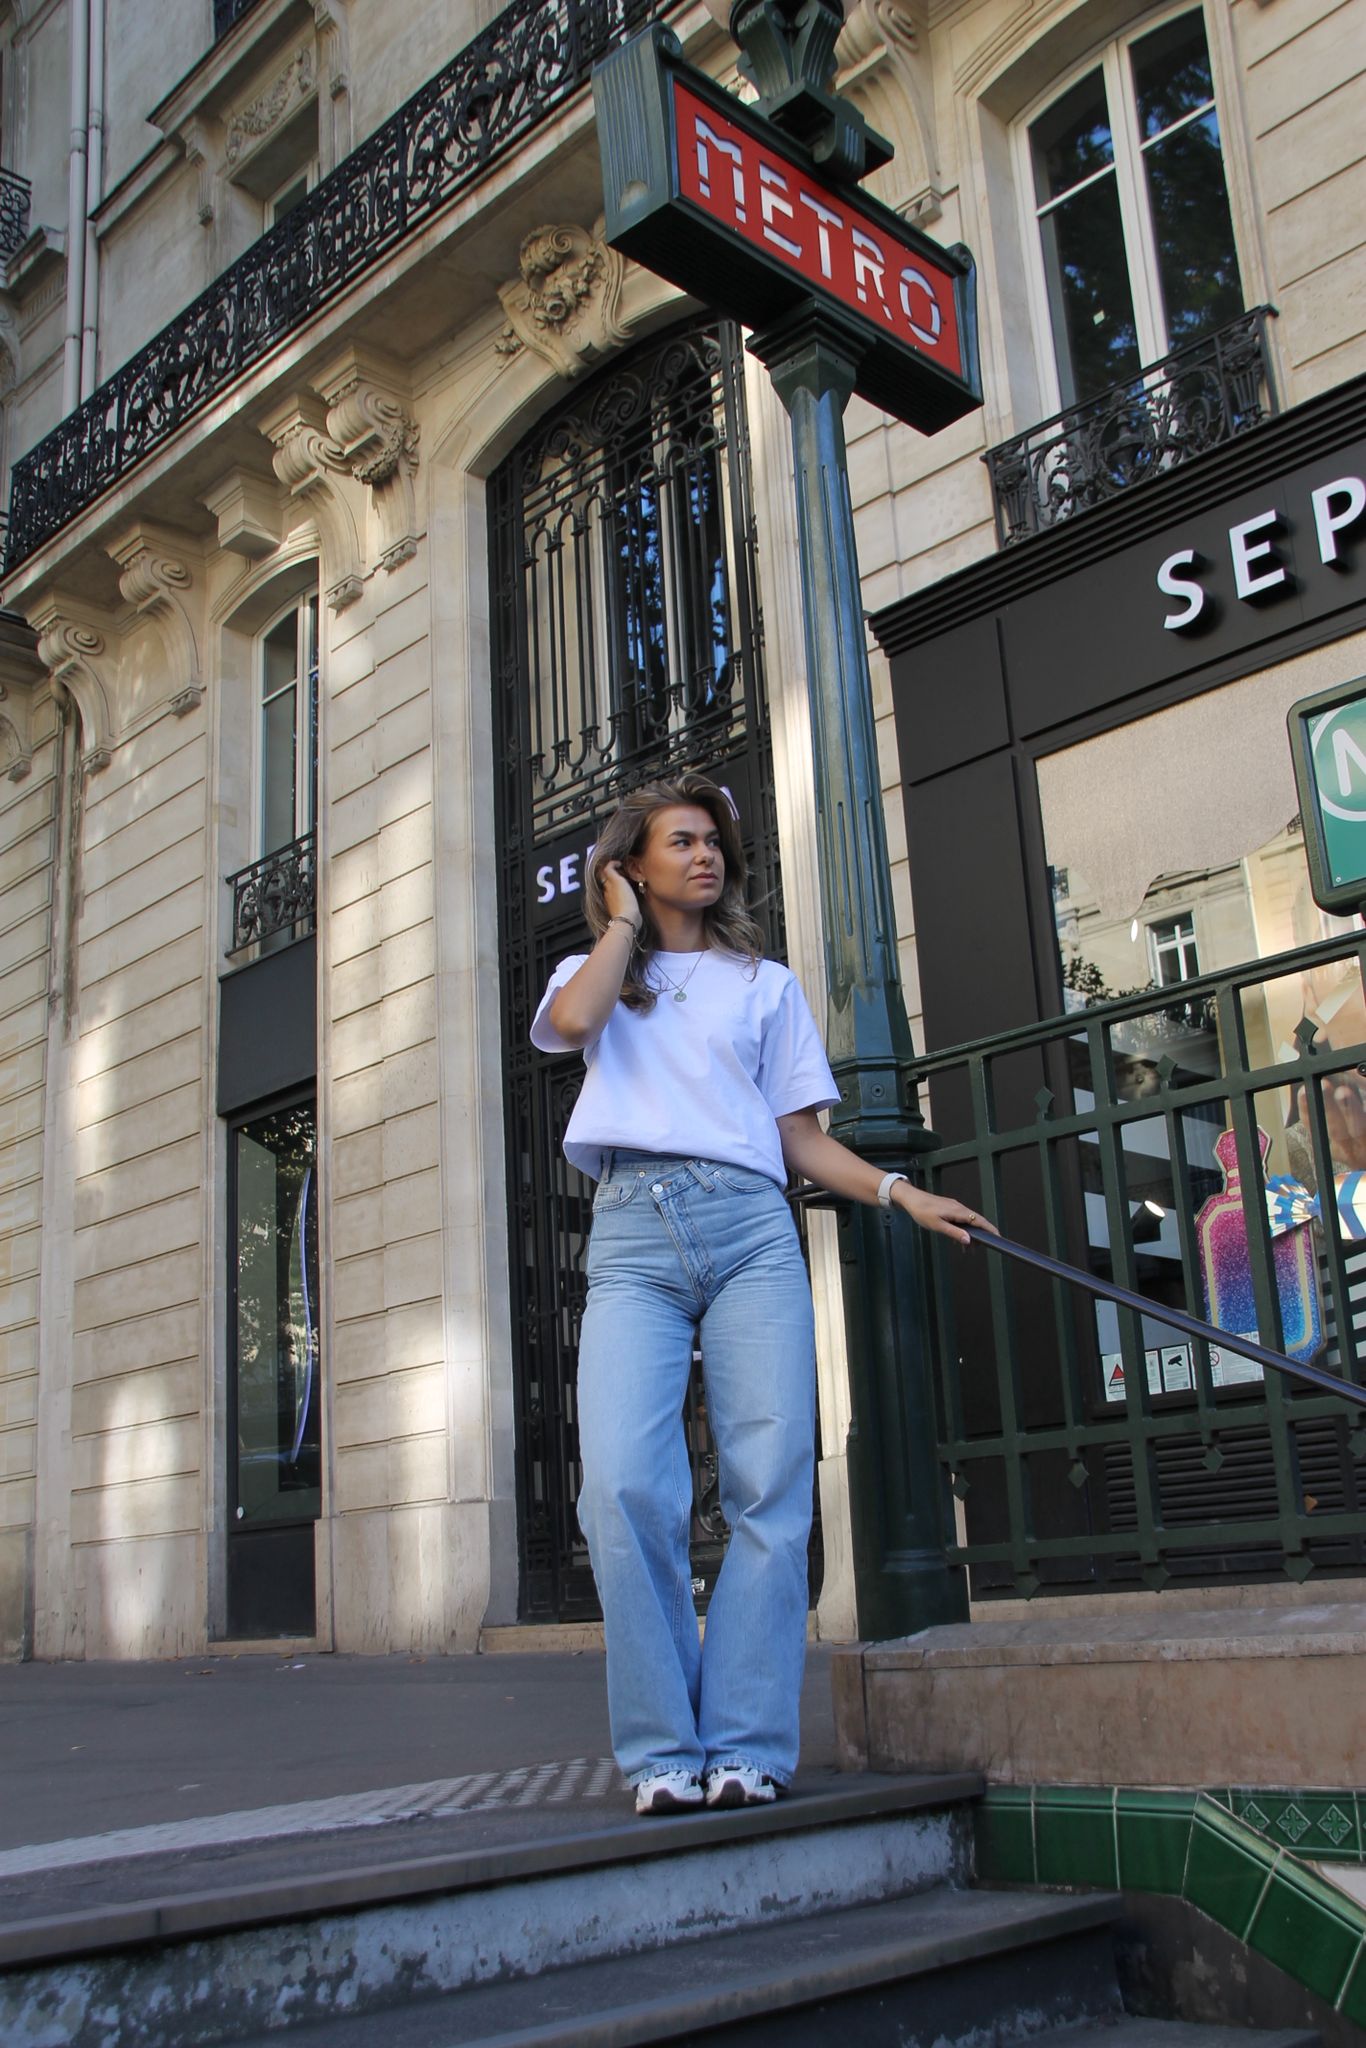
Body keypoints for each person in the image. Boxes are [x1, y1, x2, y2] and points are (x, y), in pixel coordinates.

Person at [530, 771, 987, 1816]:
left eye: (712, 843)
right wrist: (617, 926)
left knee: (768, 1491)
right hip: (635, 1233)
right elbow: (568, 1023)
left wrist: (898, 1192)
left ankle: (743, 1741)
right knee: (623, 1489)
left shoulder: (765, 984)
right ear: (629, 865)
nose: (704, 855)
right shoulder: (597, 971)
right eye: (678, 841)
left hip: (749, 1230)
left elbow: (800, 1141)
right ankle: (658, 1750)